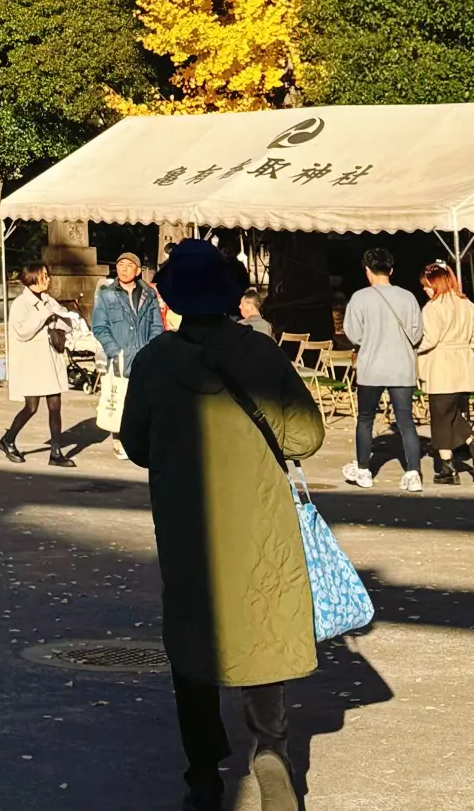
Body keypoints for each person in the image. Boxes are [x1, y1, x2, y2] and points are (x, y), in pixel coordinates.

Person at [121, 237, 324, 811]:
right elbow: (306, 435)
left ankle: (204, 773)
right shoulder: (260, 354)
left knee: (193, 640)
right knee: (261, 628)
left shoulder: (155, 361)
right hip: (260, 522)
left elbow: (136, 444)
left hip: (189, 527)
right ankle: (270, 750)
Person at [342, 246, 424, 491]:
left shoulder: (359, 298)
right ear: (391, 269)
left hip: (371, 367)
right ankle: (413, 474)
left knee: (366, 419)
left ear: (367, 271)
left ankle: (365, 470)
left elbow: (353, 334)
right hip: (402, 368)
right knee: (406, 421)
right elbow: (417, 332)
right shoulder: (408, 297)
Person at [0, 262, 77, 467]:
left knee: (55, 405)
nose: (48, 279)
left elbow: (61, 322)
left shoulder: (48, 300)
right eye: (44, 275)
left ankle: (56, 452)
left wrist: (64, 320)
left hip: (50, 360)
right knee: (31, 407)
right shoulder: (20, 304)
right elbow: (22, 331)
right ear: (33, 278)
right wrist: (44, 314)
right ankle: (7, 440)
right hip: (31, 363)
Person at [91, 250, 164, 456]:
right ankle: (119, 439)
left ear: (138, 271)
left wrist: (152, 348)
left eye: (129, 265)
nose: (124, 269)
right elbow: (99, 326)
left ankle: (142, 440)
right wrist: (114, 350)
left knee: (144, 400)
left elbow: (157, 325)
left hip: (144, 354)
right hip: (120, 357)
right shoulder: (107, 294)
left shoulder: (149, 295)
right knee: (119, 399)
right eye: (120, 265)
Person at [417, 259, 474, 486]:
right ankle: (467, 445)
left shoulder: (433, 308)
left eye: (426, 284)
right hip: (464, 366)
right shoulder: (467, 304)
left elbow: (429, 340)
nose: (424, 288)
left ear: (435, 283)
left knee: (440, 418)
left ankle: (447, 468)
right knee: (454, 416)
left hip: (442, 367)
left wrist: (411, 345)